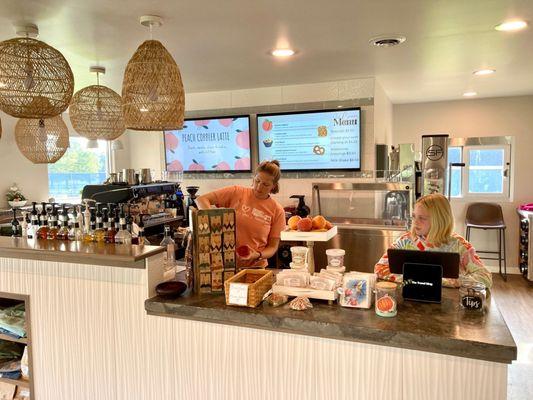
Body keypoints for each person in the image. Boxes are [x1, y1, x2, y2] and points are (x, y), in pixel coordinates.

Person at [374, 193, 493, 289]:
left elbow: (485, 277)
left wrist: (453, 281)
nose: (415, 222)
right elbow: (380, 268)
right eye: (414, 216)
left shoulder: (459, 245)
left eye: (422, 218)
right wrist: (419, 280)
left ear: (439, 220)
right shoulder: (404, 241)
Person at [196, 160, 285, 269]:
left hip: (254, 267)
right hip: (223, 265)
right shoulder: (237, 192)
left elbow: (272, 247)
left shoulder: (277, 210)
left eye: (265, 184)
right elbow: (201, 199)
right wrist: (212, 225)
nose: (259, 187)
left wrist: (257, 255)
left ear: (273, 186)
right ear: (253, 178)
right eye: (257, 181)